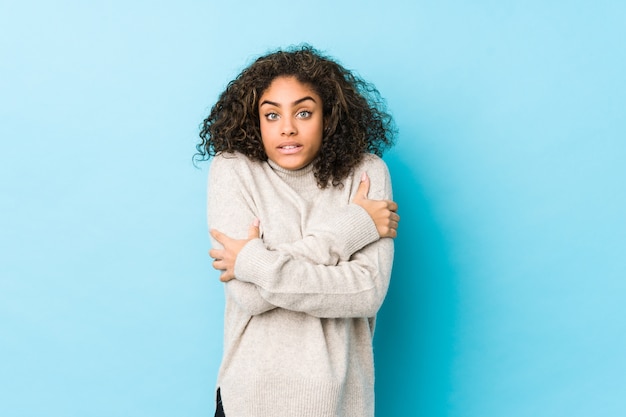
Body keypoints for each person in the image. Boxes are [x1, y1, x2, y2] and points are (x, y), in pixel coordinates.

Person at [196, 45, 399, 417]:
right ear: (254, 120)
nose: (287, 127)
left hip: (341, 400)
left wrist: (254, 262)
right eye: (271, 115)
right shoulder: (233, 171)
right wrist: (353, 227)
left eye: (303, 112)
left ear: (329, 116)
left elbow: (366, 292)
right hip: (250, 398)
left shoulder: (367, 173)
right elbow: (251, 298)